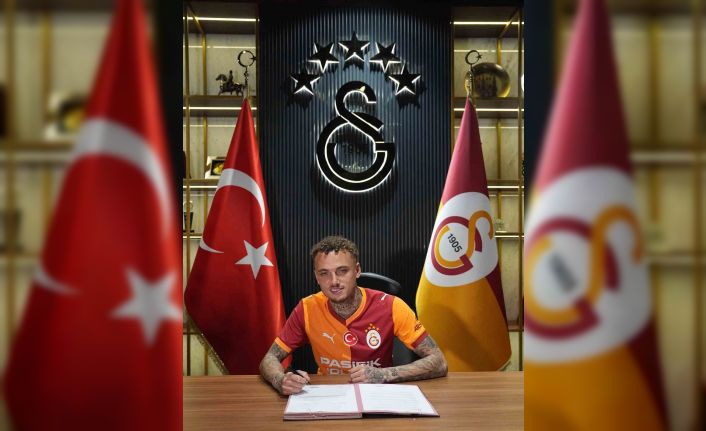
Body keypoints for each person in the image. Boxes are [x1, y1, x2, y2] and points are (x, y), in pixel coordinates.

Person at [260, 235, 448, 395]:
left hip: (379, 393)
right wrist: (281, 380)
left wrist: (383, 374)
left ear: (357, 270)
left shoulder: (392, 306)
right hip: (328, 395)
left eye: (342, 271)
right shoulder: (307, 308)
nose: (334, 281)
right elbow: (269, 359)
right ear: (316, 277)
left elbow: (439, 362)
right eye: (324, 273)